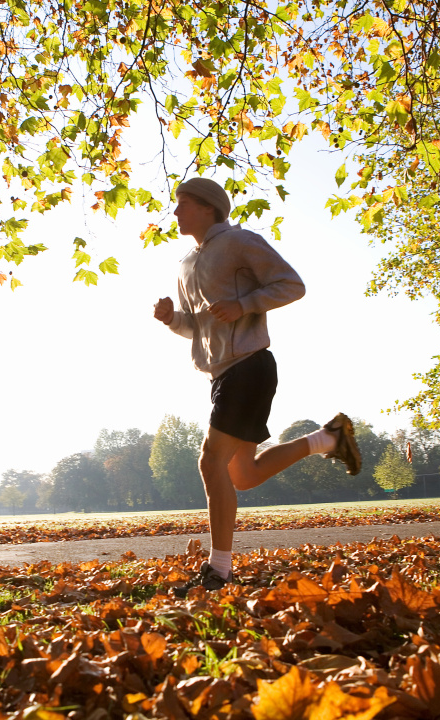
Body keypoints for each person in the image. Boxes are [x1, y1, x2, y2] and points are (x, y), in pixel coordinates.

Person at [153, 177, 361, 596]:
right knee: (243, 475)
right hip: (219, 375)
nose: (175, 213)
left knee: (210, 464)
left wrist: (244, 304)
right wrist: (171, 319)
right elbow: (197, 329)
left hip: (250, 366)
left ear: (209, 207)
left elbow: (291, 285)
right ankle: (329, 438)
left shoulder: (240, 242)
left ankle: (219, 571)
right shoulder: (184, 265)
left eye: (183, 204)